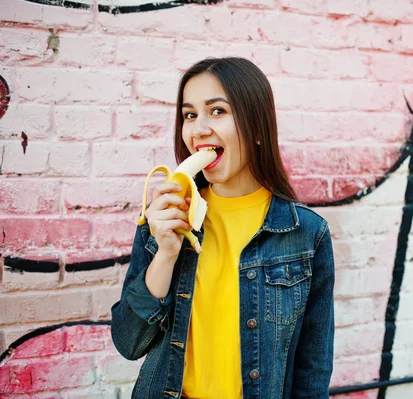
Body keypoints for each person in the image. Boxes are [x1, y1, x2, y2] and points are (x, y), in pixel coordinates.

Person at [111, 57, 335, 399]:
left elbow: (312, 370)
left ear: (257, 126)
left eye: (217, 111)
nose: (198, 128)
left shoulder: (305, 233)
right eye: (189, 115)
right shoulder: (166, 218)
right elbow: (128, 342)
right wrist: (166, 253)